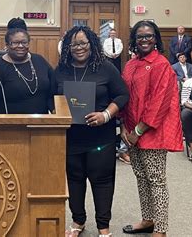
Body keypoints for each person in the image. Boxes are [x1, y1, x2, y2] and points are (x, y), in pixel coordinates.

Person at [55, 26, 129, 237]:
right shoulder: (61, 69)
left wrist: (105, 115)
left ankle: (103, 227)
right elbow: (50, 98)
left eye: (83, 43)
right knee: (74, 180)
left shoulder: (105, 67)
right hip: (71, 138)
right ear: (68, 47)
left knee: (102, 181)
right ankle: (78, 221)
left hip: (101, 138)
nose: (79, 48)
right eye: (75, 44)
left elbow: (123, 95)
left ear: (92, 44)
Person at [120, 20, 183, 237]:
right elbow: (124, 98)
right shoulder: (130, 64)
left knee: (156, 180)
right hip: (131, 130)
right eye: (140, 37)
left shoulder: (161, 64)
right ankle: (148, 219)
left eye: (148, 36)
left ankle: (162, 229)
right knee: (140, 176)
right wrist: (123, 126)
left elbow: (159, 102)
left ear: (155, 38)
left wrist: (138, 131)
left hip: (152, 132)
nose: (144, 40)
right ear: (134, 40)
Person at [0, 27, 55, 114]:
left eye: (24, 42)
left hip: (42, 122)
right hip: (13, 124)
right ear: (7, 45)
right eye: (15, 43)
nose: (20, 46)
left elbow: (53, 88)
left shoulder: (39, 60)